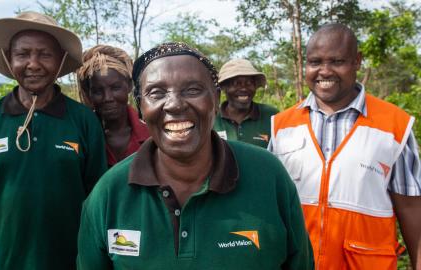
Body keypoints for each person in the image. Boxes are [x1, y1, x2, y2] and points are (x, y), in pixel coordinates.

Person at [77, 42, 313, 269]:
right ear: (140, 107)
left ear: (216, 99)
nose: (175, 104)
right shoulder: (109, 193)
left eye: (192, 90)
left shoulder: (269, 176)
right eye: (156, 93)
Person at [0, 11, 108, 269]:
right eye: (22, 54)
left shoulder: (83, 121)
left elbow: (98, 202)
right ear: (9, 59)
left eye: (45, 54)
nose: (33, 64)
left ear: (60, 61)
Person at [269, 23, 421, 270]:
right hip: (297, 263)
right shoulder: (281, 126)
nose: (324, 71)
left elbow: (413, 211)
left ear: (357, 61)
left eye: (337, 61)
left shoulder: (395, 126)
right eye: (315, 62)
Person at [77, 45, 150, 167]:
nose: (108, 98)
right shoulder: (80, 135)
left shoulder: (152, 133)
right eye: (98, 91)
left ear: (129, 85)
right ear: (88, 93)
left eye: (115, 88)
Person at [213, 58, 278, 148]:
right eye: (236, 83)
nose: (244, 88)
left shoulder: (272, 116)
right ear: (224, 87)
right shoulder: (212, 118)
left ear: (255, 86)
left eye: (249, 83)